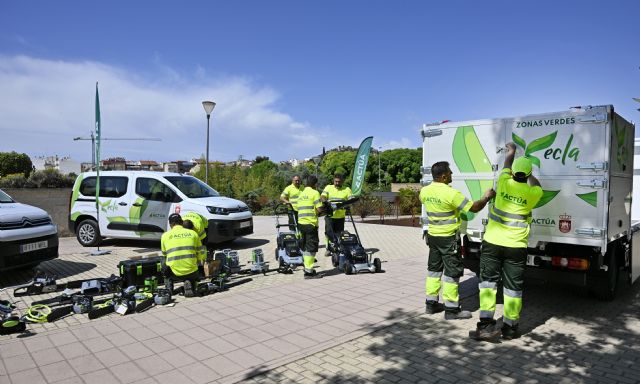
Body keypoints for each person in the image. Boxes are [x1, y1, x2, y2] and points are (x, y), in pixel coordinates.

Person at [471, 142, 542, 341]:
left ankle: (485, 326)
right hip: (516, 247)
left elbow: (507, 163)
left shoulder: (503, 181)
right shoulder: (533, 193)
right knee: (512, 289)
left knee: (487, 284)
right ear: (526, 175)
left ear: (512, 173)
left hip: (492, 243)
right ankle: (510, 328)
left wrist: (511, 152)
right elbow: (537, 186)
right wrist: (530, 176)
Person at [420, 161, 495, 320]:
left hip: (433, 237)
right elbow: (473, 208)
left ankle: (431, 304)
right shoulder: (451, 194)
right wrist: (486, 197)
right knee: (451, 273)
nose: (452, 174)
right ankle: (452, 310)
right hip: (448, 239)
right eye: (450, 172)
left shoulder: (424, 191)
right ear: (444, 176)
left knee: (433, 270)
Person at [160, 213, 206, 297]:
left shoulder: (164, 236)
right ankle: (190, 282)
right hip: (192, 272)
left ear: (171, 224)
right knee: (196, 256)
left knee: (163, 259)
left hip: (174, 274)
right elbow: (202, 254)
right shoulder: (193, 233)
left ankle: (169, 288)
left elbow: (164, 254)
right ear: (181, 222)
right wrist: (199, 262)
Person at [296, 175, 324, 279]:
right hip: (310, 224)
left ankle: (306, 267)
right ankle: (309, 272)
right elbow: (319, 209)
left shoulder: (301, 194)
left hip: (301, 224)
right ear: (315, 184)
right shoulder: (315, 193)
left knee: (304, 246)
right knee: (311, 248)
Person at [321, 174, 353, 256]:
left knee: (339, 233)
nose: (337, 183)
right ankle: (328, 248)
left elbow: (350, 200)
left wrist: (349, 203)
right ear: (333, 181)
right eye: (336, 181)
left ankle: (338, 247)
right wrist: (326, 202)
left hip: (340, 216)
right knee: (328, 232)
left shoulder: (347, 189)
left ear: (342, 181)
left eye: (339, 182)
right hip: (330, 215)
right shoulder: (328, 187)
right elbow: (322, 196)